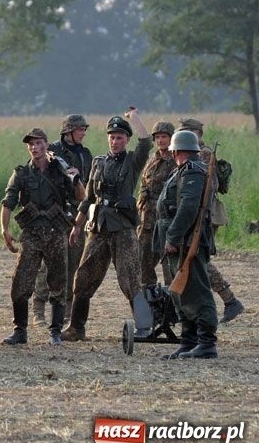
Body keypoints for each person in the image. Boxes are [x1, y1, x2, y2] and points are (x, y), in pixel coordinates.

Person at [61, 109, 151, 342]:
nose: (115, 141)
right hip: (99, 228)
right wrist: (77, 225)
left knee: (130, 279)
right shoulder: (98, 162)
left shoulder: (132, 161)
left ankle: (144, 328)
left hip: (122, 228)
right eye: (112, 137)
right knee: (83, 277)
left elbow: (146, 142)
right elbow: (89, 198)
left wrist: (134, 118)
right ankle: (76, 328)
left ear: (126, 140)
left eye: (120, 137)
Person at [0, 128, 85, 346]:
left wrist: (75, 179)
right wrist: (4, 229)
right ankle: (20, 331)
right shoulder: (21, 173)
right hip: (31, 234)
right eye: (31, 144)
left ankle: (55, 332)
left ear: (47, 145)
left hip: (56, 232)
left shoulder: (60, 170)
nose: (34, 148)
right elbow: (8, 202)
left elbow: (81, 198)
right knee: (21, 282)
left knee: (58, 282)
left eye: (38, 143)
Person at [154, 130, 218, 359]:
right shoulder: (184, 170)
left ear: (176, 151)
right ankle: (189, 340)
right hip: (180, 241)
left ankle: (206, 342)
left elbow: (189, 207)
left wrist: (173, 237)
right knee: (181, 292)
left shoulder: (192, 171)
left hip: (187, 241)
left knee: (196, 291)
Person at [176, 117, 245, 323]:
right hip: (200, 211)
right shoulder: (193, 153)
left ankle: (229, 300)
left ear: (197, 133)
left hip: (205, 213)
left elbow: (207, 187)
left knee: (198, 259)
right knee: (196, 259)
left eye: (188, 132)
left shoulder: (203, 154)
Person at [33, 114, 94, 325]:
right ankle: (39, 307)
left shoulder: (86, 154)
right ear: (68, 131)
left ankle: (67, 308)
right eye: (80, 129)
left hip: (78, 214)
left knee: (73, 262)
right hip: (56, 214)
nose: (83, 133)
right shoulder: (53, 151)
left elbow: (89, 185)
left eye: (84, 129)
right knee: (49, 262)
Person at [136, 121, 176, 288]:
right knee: (143, 260)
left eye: (164, 137)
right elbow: (143, 184)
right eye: (157, 137)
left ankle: (172, 298)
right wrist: (140, 205)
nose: (160, 140)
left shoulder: (176, 159)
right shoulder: (152, 159)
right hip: (147, 220)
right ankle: (150, 294)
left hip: (166, 219)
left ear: (171, 138)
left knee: (169, 263)